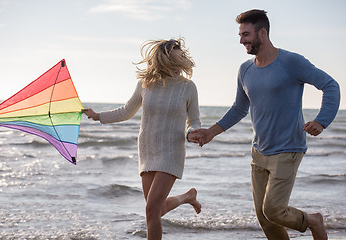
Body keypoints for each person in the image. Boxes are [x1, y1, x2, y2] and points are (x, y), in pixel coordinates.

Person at [190, 9, 340, 240]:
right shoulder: (245, 70)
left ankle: (313, 220)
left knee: (273, 210)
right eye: (240, 35)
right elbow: (240, 108)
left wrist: (322, 121)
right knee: (265, 219)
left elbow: (330, 85)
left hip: (288, 149)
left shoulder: (291, 61)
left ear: (263, 32)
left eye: (246, 34)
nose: (241, 40)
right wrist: (211, 132)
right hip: (258, 151)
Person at [83, 38, 202, 240]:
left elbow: (195, 121)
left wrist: (193, 133)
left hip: (172, 152)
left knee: (151, 210)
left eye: (181, 58)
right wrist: (98, 116)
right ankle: (187, 197)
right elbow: (126, 111)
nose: (180, 63)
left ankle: (186, 197)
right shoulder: (145, 84)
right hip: (147, 150)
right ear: (164, 60)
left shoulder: (188, 87)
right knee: (156, 209)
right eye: (175, 58)